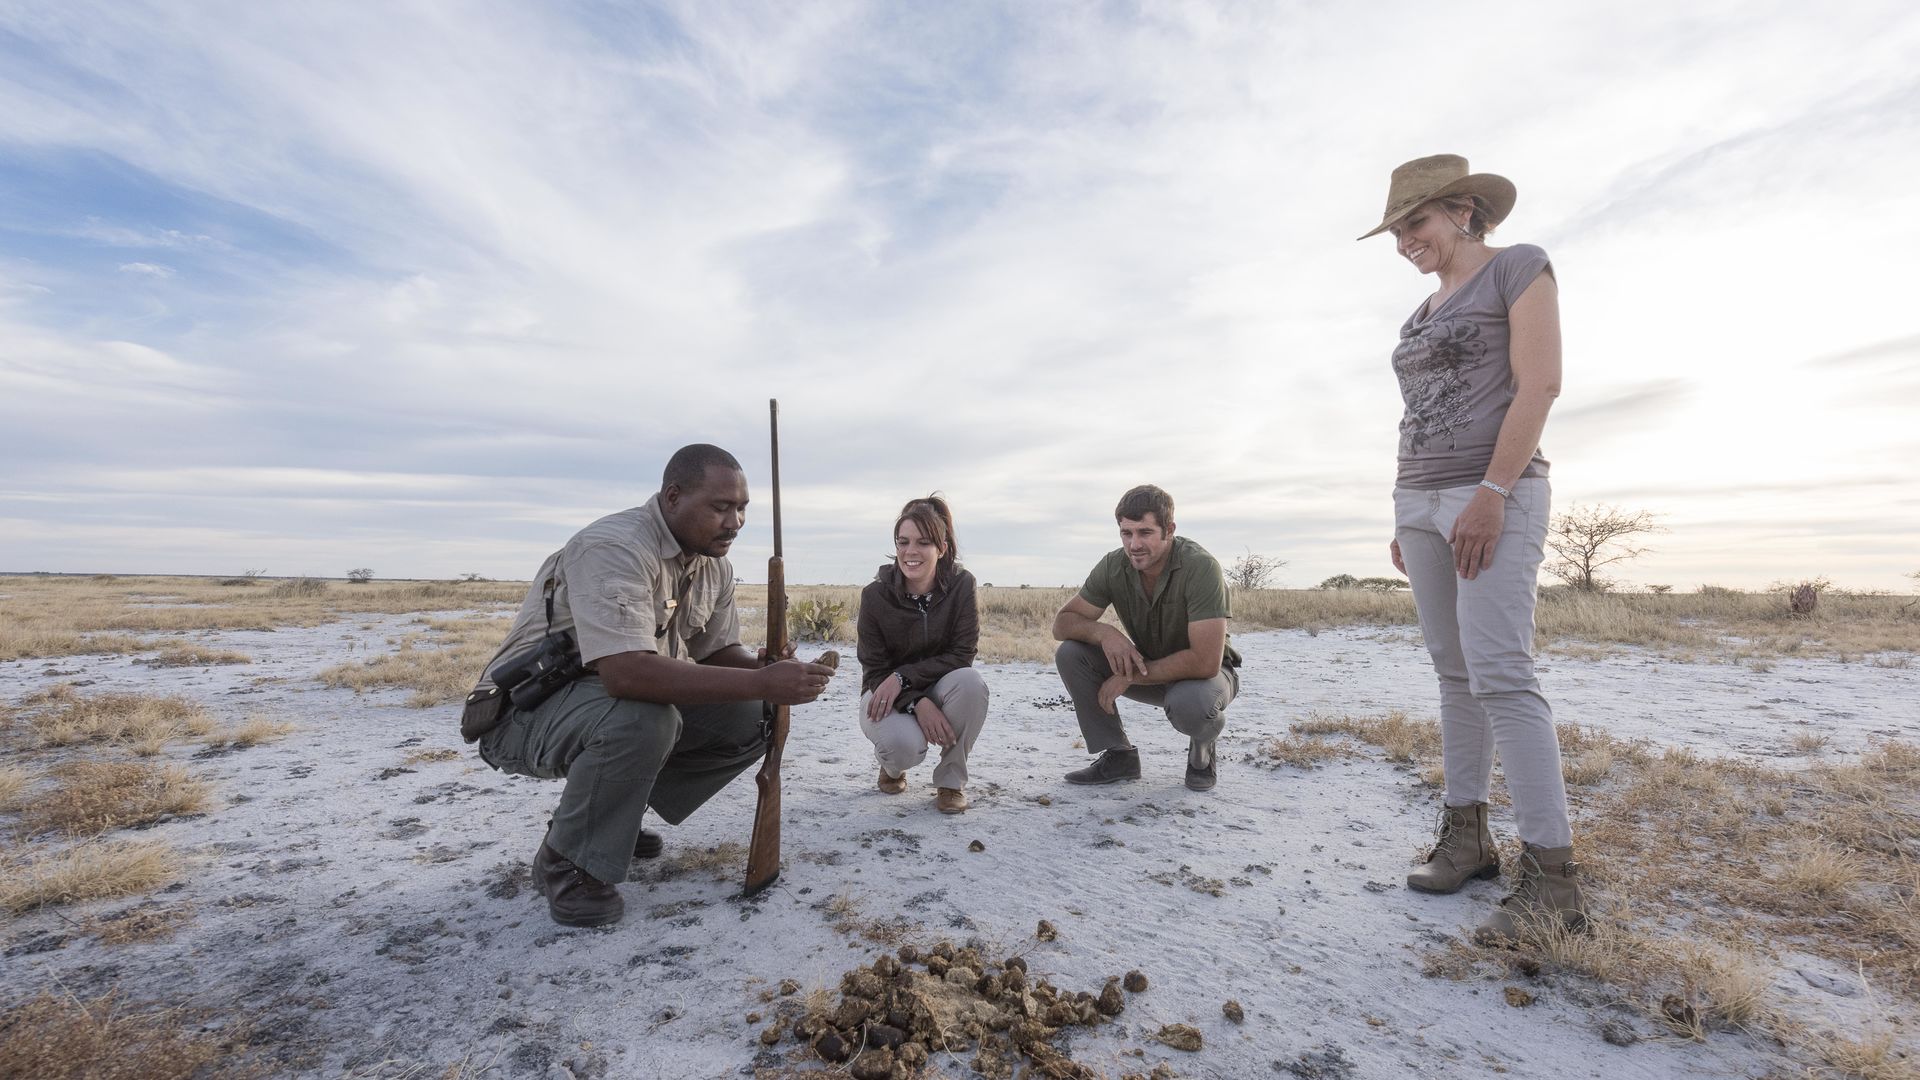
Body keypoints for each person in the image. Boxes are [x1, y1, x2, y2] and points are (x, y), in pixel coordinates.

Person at [1358, 154, 1586, 942]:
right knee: (1454, 673)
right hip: (1419, 500)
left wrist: (1491, 494)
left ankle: (1553, 881)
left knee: (1502, 674)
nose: (1403, 243)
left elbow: (1541, 384)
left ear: (1462, 209)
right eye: (1395, 231)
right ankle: (1467, 838)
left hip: (1492, 493)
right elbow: (1418, 411)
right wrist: (1406, 512)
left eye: (1413, 223)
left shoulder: (1519, 269)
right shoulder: (1419, 315)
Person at [466, 444, 837, 927]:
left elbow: (716, 654)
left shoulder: (713, 565)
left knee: (754, 713)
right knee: (646, 716)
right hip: (523, 713)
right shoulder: (615, 547)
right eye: (721, 507)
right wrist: (763, 679)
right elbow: (628, 673)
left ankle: (609, 820)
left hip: (602, 704)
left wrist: (762, 670)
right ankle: (567, 864)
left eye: (742, 509)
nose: (735, 523)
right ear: (673, 497)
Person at [1051, 485, 1240, 792]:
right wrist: (1105, 633)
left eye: (1145, 532)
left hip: (1207, 678)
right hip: (1148, 667)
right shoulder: (1114, 565)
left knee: (1191, 704)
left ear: (1169, 530)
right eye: (1127, 533)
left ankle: (1203, 746)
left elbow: (1205, 662)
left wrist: (1129, 677)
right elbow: (1063, 623)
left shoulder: (1201, 567)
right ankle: (1118, 756)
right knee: (1071, 653)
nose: (1134, 544)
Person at [855, 495, 989, 814]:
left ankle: (950, 782)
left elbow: (962, 654)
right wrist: (915, 701)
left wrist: (906, 679)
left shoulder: (962, 585)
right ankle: (891, 769)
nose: (910, 551)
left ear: (941, 548)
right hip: (883, 693)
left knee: (971, 683)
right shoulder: (874, 597)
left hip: (933, 687)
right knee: (904, 748)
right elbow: (875, 671)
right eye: (903, 542)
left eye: (923, 542)